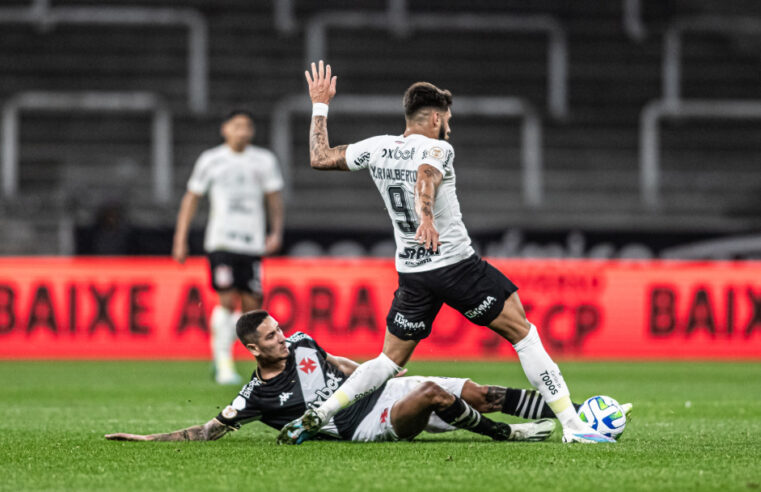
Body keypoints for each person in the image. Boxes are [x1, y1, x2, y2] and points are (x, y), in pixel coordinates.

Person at [279, 61, 617, 444]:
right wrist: (426, 217)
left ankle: (319, 413)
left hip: (412, 273)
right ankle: (574, 427)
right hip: (455, 265)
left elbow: (320, 157)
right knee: (524, 334)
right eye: (448, 119)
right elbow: (426, 175)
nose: (450, 127)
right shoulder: (438, 147)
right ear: (436, 117)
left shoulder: (375, 147)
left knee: (389, 360)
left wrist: (320, 105)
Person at [104, 310, 575, 444]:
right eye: (270, 337)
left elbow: (338, 364)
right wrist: (147, 439)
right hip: (365, 424)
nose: (282, 338)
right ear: (252, 349)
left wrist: (380, 371)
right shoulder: (256, 396)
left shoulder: (303, 342)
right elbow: (206, 431)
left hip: (382, 388)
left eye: (278, 329)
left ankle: (572, 416)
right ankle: (508, 436)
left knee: (480, 391)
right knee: (433, 395)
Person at [173, 110, 284, 385]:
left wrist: (276, 231)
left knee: (251, 308)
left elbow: (274, 198)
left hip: (251, 243)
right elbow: (192, 198)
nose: (242, 131)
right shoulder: (211, 160)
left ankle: (236, 358)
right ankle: (223, 361)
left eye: (247, 126)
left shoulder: (264, 160)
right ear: (225, 129)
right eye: (237, 126)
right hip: (221, 241)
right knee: (225, 298)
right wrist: (180, 238)